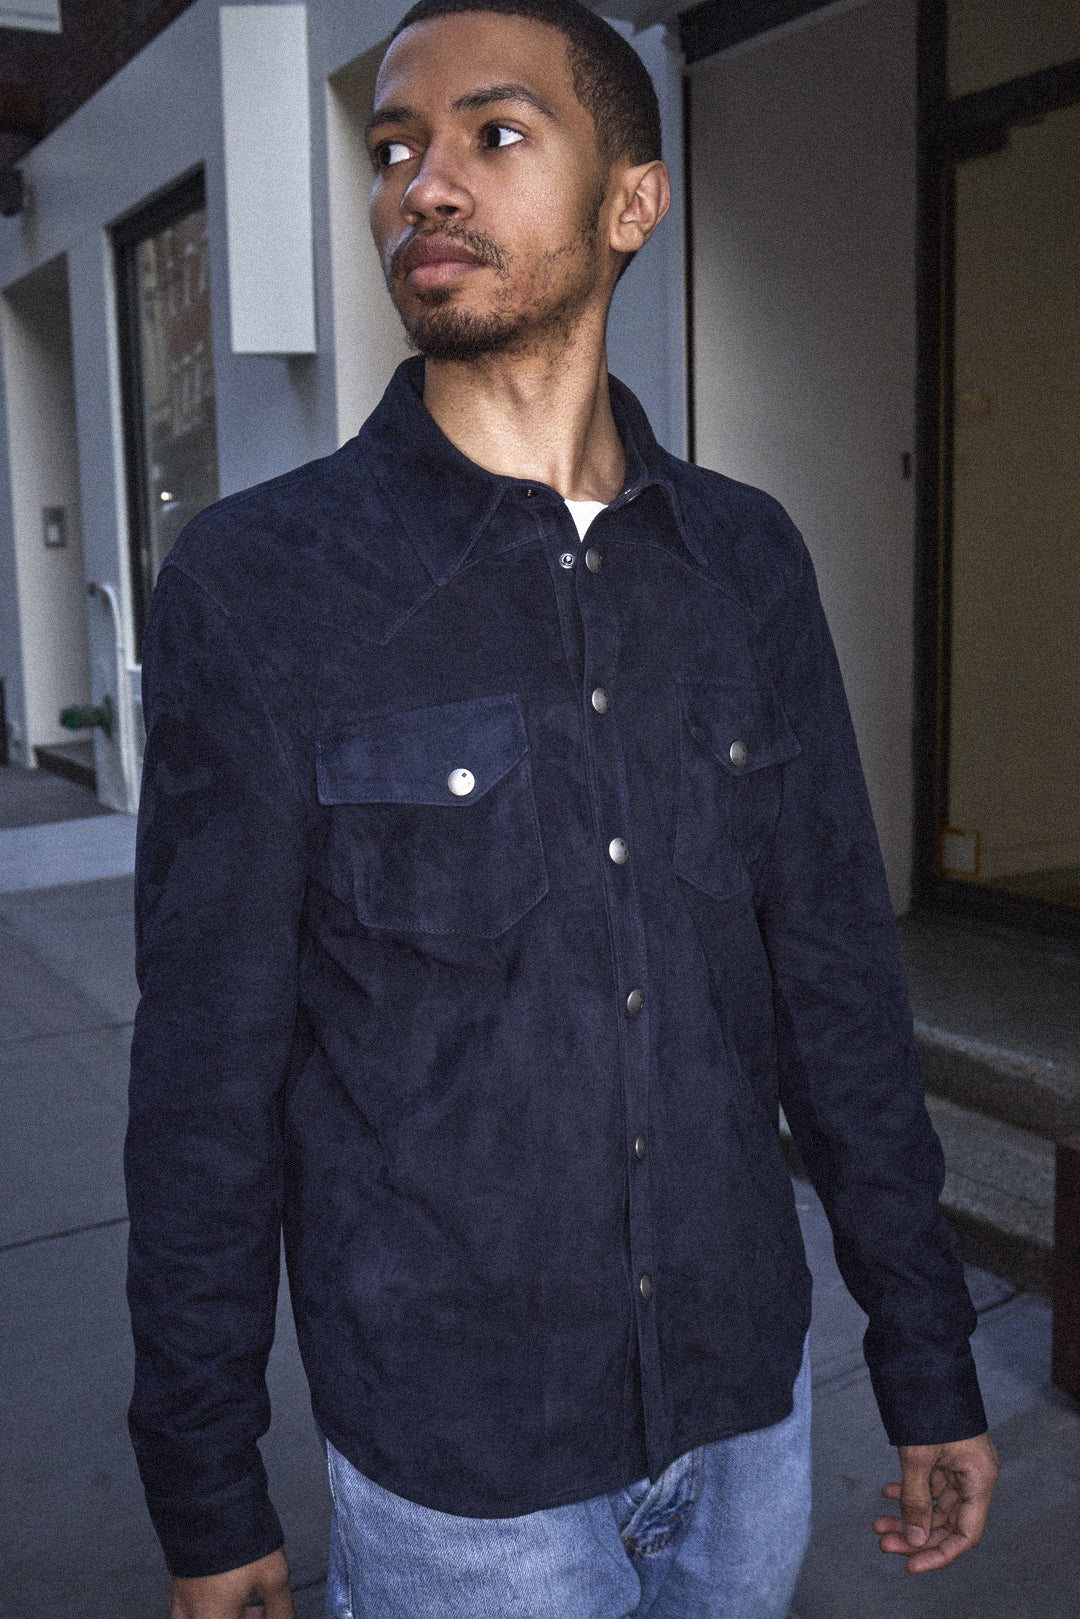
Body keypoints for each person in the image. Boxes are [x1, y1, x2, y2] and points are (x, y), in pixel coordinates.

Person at [125, 1, 1000, 1614]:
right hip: (464, 1475)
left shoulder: (747, 563)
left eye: (495, 133)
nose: (425, 183)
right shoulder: (260, 587)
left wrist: (927, 1358)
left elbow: (838, 1000)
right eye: (395, 148)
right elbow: (204, 1091)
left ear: (631, 201)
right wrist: (206, 1487)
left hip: (746, 1421)